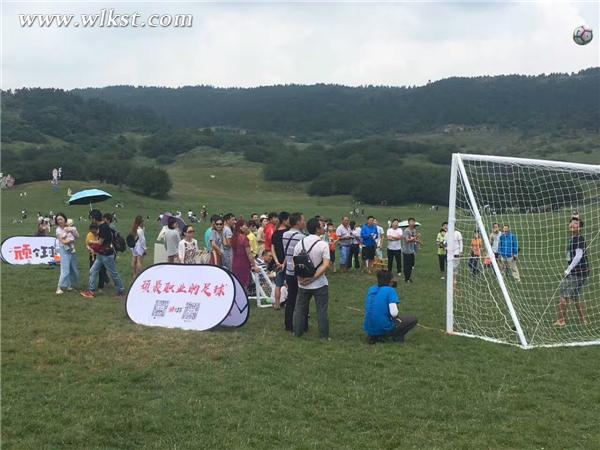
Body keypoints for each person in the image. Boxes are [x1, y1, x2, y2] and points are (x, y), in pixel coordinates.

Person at [292, 218, 331, 340]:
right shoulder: (323, 244)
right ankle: (323, 336)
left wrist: (300, 278)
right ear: (317, 229)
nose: (324, 227)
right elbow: (326, 265)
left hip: (302, 283)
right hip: (319, 283)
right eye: (322, 225)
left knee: (299, 309)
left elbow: (295, 263)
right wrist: (313, 278)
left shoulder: (300, 243)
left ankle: (297, 332)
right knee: (322, 310)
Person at [363, 270, 418, 344]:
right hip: (383, 327)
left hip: (369, 328)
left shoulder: (371, 289)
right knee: (412, 319)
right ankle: (396, 337)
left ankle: (374, 336)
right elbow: (394, 313)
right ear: (390, 281)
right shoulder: (390, 290)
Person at [80, 211, 126, 298]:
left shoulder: (103, 227)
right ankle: (91, 291)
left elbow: (100, 242)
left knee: (113, 273)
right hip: (101, 255)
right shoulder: (102, 226)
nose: (91, 220)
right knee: (93, 271)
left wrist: (90, 242)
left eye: (91, 218)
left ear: (94, 218)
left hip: (107, 255)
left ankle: (121, 290)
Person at [554, 218, 589, 327]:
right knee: (576, 296)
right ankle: (584, 321)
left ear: (580, 228)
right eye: (572, 223)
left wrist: (568, 269)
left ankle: (561, 320)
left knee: (563, 295)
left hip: (576, 272)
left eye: (576, 224)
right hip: (583, 272)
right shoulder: (574, 238)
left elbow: (578, 256)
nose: (573, 225)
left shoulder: (578, 239)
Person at [282, 212, 306, 332]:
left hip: (289, 270)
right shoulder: (301, 237)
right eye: (303, 220)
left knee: (291, 298)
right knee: (301, 299)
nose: (304, 222)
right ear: (297, 222)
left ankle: (288, 324)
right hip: (298, 271)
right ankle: (300, 324)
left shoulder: (285, 235)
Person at [231, 220, 260, 290]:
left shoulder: (233, 238)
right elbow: (249, 254)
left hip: (235, 264)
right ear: (240, 227)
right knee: (244, 286)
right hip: (244, 264)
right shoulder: (244, 238)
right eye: (245, 226)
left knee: (237, 285)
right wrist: (254, 265)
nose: (247, 227)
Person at [54, 213, 80, 295]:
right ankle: (59, 287)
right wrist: (70, 240)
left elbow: (77, 236)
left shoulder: (70, 227)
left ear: (65, 219)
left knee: (73, 268)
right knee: (65, 269)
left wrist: (72, 230)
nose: (60, 221)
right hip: (64, 250)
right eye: (58, 220)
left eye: (61, 219)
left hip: (72, 250)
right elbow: (63, 241)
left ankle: (69, 285)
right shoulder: (58, 230)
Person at [271, 212, 290, 310]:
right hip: (287, 262)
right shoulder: (288, 233)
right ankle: (290, 303)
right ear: (285, 220)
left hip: (277, 263)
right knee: (290, 283)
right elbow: (289, 250)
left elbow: (272, 249)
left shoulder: (275, 233)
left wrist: (277, 261)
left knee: (278, 284)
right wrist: (284, 263)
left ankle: (277, 304)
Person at [401, 218, 419, 283]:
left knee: (412, 264)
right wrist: (415, 237)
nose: (412, 223)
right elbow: (407, 240)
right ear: (408, 223)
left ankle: (409, 277)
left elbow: (413, 240)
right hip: (406, 250)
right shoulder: (406, 231)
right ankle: (406, 278)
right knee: (407, 265)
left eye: (413, 222)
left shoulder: (414, 230)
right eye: (411, 222)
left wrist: (418, 242)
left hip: (412, 250)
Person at [130, 215, 147, 280]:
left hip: (134, 246)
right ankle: (138, 274)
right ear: (140, 222)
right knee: (139, 260)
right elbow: (142, 240)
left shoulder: (133, 228)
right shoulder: (140, 230)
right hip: (139, 246)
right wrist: (145, 248)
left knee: (134, 259)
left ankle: (134, 273)